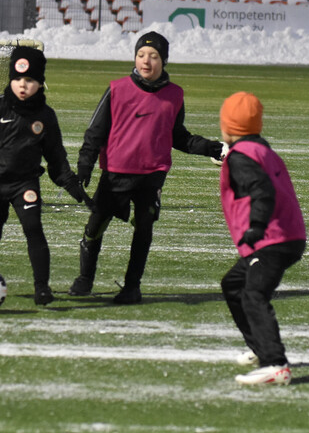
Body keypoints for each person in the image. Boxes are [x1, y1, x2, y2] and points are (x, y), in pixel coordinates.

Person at [69, 30, 224, 304]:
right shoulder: (117, 89)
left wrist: (211, 148)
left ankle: (132, 287)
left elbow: (178, 137)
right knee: (95, 227)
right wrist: (85, 166)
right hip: (116, 174)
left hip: (152, 176)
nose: (146, 61)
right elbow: (96, 131)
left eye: (153, 56)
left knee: (144, 229)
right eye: (141, 55)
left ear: (164, 61)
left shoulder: (175, 95)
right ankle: (84, 280)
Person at [0, 45, 92, 306]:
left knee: (34, 229)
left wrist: (72, 185)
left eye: (29, 80)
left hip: (25, 184)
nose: (22, 85)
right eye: (17, 79)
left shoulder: (46, 117)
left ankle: (42, 288)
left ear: (40, 83)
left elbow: (55, 157)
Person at [217, 91, 307, 387]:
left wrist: (256, 227)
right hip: (287, 236)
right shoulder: (262, 150)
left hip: (271, 240)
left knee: (253, 295)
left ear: (228, 127)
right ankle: (260, 347)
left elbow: (262, 191)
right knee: (233, 285)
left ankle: (275, 363)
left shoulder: (241, 157)